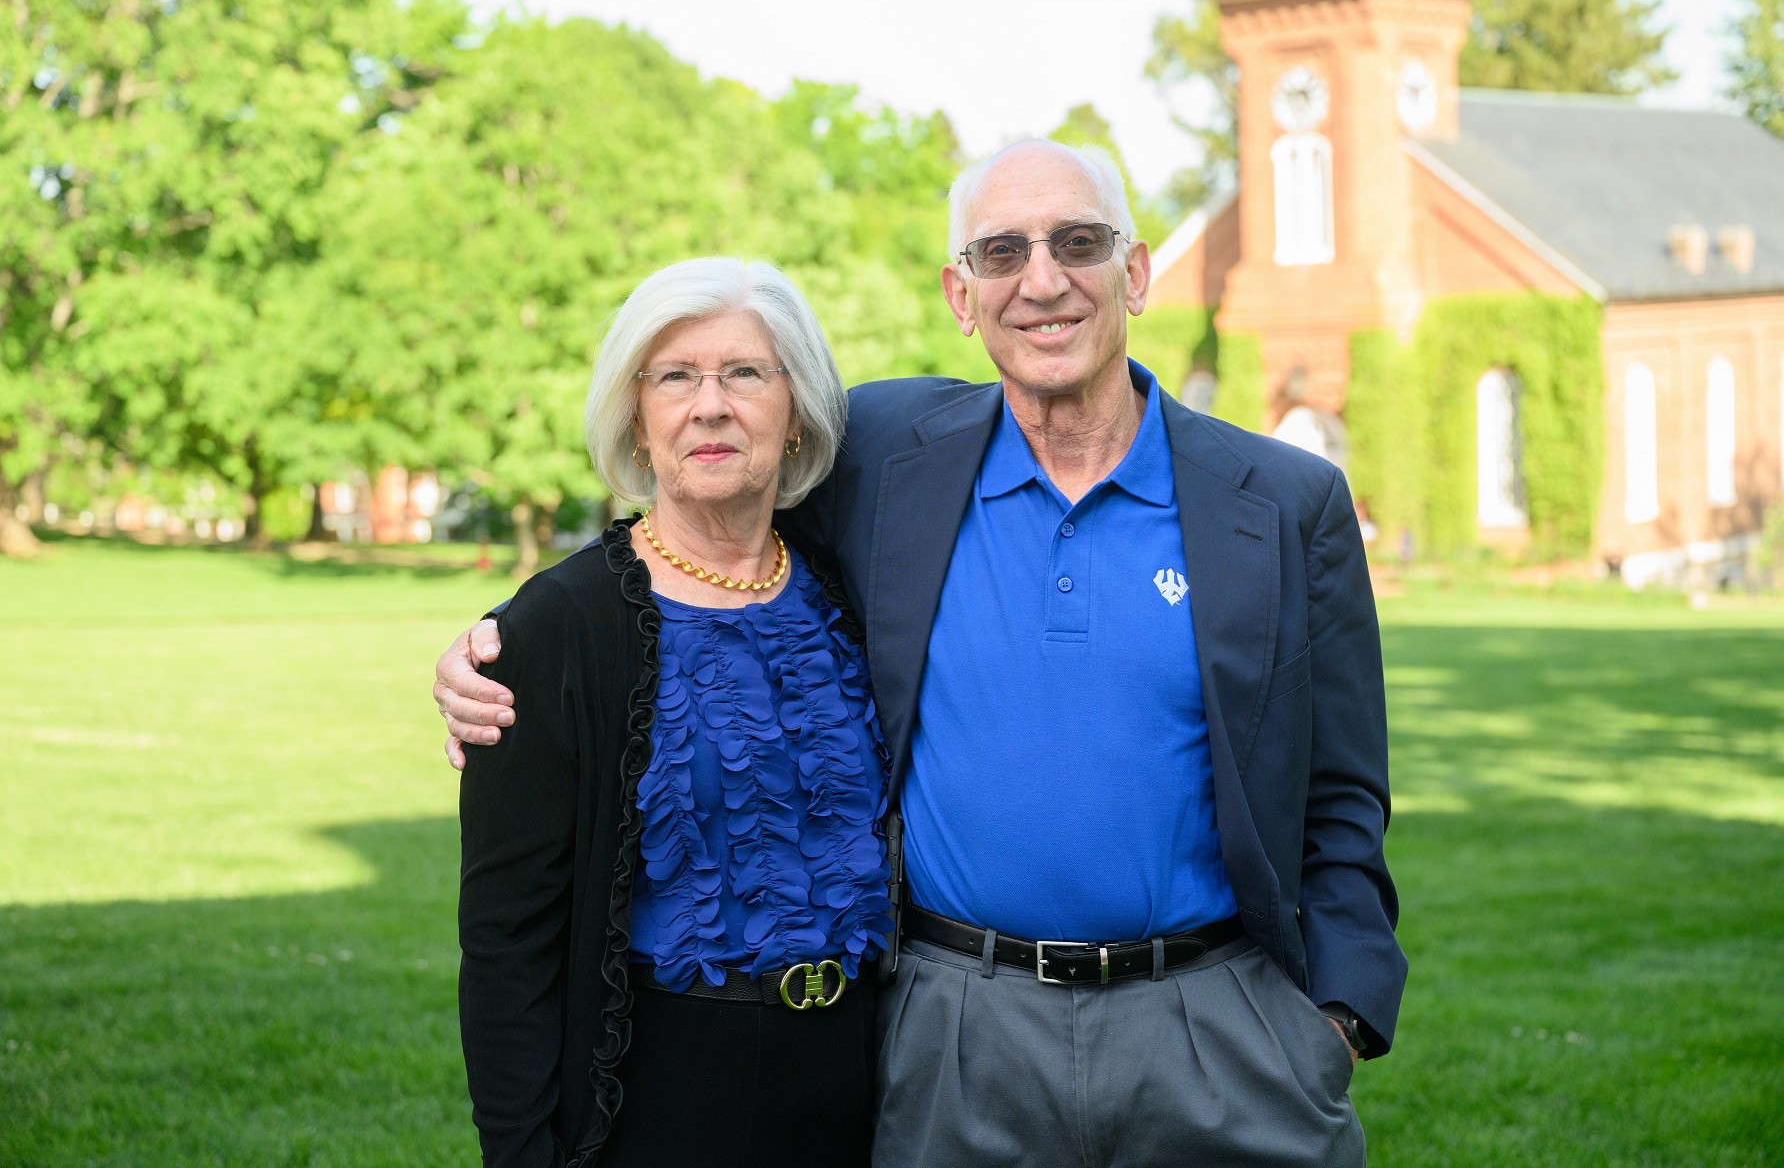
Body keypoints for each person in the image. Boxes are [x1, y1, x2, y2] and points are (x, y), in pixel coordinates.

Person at [439, 140, 1406, 1167]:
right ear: (960, 292)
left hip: (1214, 1026)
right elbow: (687, 534)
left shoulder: (1282, 502)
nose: (1041, 281)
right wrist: (496, 648)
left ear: (1133, 271)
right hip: (957, 1032)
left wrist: (1334, 1013)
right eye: (1000, 253)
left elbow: (1342, 786)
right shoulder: (894, 456)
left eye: (1077, 243)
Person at [455, 257, 893, 1168]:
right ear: (638, 418)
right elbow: (506, 939)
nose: (710, 405)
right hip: (661, 1099)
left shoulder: (855, 592)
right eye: (676, 377)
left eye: (744, 373)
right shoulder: (556, 628)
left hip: (866, 1084)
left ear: (799, 409)